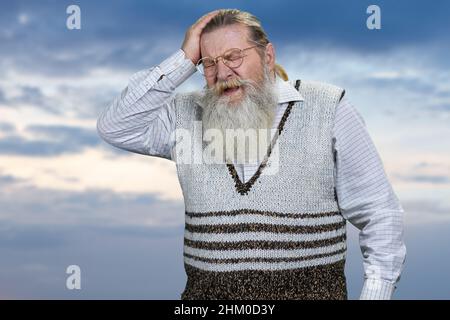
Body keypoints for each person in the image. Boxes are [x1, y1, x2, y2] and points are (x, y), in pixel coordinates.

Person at [97, 9, 406, 300]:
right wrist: (183, 59)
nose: (222, 72)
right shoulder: (185, 115)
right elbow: (115, 126)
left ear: (267, 56)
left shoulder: (328, 108)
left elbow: (380, 215)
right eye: (208, 63)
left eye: (233, 56)